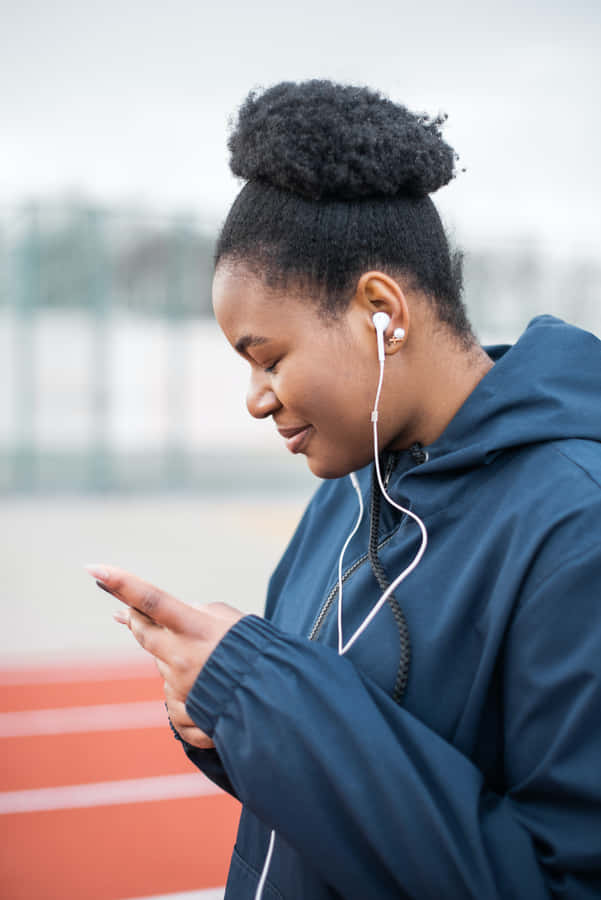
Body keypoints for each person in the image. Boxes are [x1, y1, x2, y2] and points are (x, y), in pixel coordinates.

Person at [86, 80, 601, 899]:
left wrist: (264, 692)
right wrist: (222, 717)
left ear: (379, 311)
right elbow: (348, 810)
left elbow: (551, 881)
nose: (256, 397)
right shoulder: (351, 486)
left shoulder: (578, 522)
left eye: (270, 357)